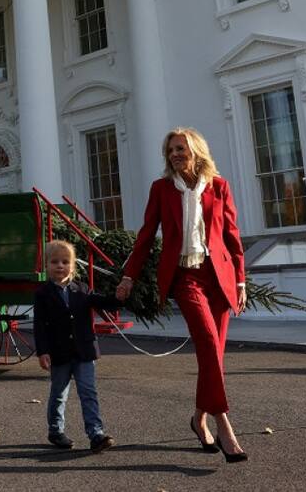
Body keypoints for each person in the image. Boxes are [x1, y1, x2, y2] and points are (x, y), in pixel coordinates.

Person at [116, 127, 249, 463]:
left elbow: (232, 237)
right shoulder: (161, 189)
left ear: (196, 152)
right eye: (171, 150)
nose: (175, 154)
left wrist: (241, 282)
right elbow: (146, 235)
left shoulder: (219, 187)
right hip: (185, 277)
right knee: (206, 342)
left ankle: (198, 419)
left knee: (214, 356)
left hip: (218, 277)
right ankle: (223, 424)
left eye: (181, 149)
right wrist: (129, 275)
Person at [33, 239, 120, 453]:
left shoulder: (81, 289)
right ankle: (56, 431)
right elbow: (39, 326)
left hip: (84, 352)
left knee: (88, 392)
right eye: (55, 262)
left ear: (72, 265)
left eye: (65, 261)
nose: (60, 266)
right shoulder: (43, 293)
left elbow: (102, 301)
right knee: (59, 393)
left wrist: (118, 297)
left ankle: (96, 434)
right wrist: (43, 351)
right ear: (47, 266)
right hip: (58, 353)